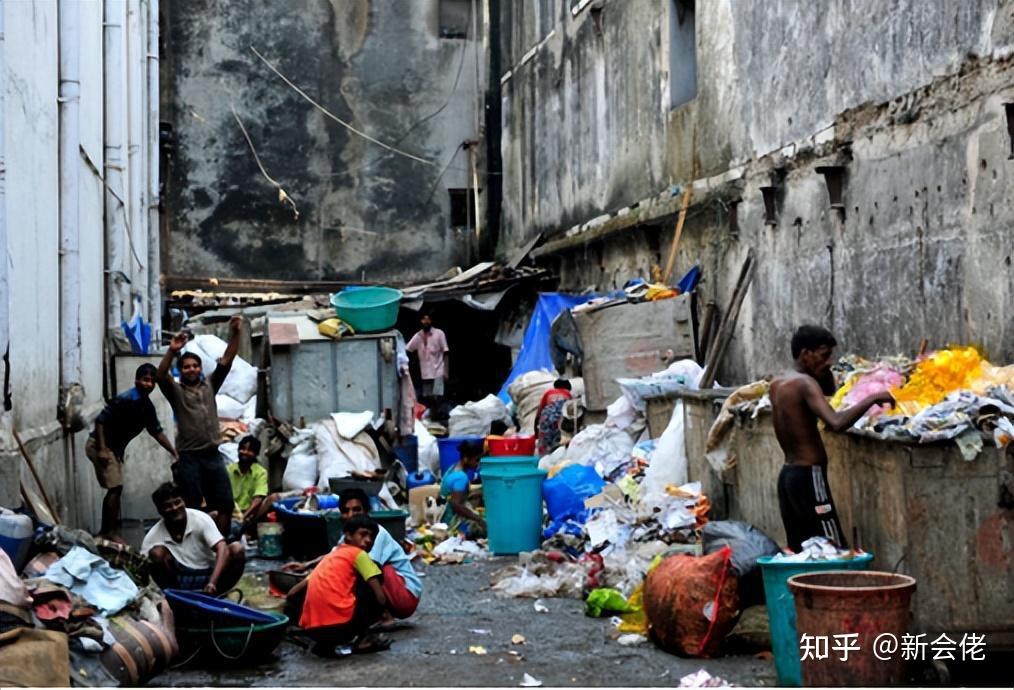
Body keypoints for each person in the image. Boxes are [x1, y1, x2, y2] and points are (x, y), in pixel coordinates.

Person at [769, 325, 895, 552]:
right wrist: (873, 398)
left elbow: (829, 390)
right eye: (824, 355)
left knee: (803, 551)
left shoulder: (778, 382)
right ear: (806, 353)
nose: (829, 362)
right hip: (810, 476)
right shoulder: (805, 384)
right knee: (833, 548)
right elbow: (835, 422)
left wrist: (823, 370)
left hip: (788, 477)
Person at [157, 315, 243, 536]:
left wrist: (235, 333)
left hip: (213, 455)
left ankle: (219, 545)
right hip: (190, 458)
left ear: (201, 369)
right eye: (186, 367)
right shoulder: (177, 392)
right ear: (181, 371)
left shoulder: (210, 386)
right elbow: (160, 375)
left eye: (195, 366)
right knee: (193, 507)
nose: (192, 369)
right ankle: (195, 548)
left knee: (224, 503)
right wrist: (172, 350)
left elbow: (227, 360)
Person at [282, 488, 422, 624]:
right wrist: (307, 565)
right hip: (391, 590)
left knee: (365, 571)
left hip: (406, 594)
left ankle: (384, 615)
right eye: (346, 511)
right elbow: (333, 556)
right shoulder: (349, 536)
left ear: (366, 512)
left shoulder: (376, 533)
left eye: (356, 510)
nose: (351, 515)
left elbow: (367, 568)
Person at [85, 363, 178, 541]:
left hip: (114, 450)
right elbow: (100, 421)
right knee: (115, 488)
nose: (149, 385)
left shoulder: (147, 407)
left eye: (152, 382)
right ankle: (109, 532)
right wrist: (103, 449)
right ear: (137, 381)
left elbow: (156, 432)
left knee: (116, 489)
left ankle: (109, 531)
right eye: (145, 380)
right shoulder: (125, 399)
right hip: (99, 445)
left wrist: (173, 451)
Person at [288, 515, 391, 656]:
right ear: (348, 535)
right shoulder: (358, 554)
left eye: (371, 537)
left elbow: (292, 593)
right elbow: (379, 596)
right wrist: (385, 613)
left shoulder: (331, 557)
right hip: (341, 629)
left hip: (313, 631)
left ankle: (324, 644)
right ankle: (363, 640)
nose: (368, 540)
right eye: (363, 534)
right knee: (374, 572)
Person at [142, 482, 245, 594]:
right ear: (160, 510)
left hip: (209, 574)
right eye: (168, 506)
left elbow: (222, 548)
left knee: (237, 549)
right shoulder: (154, 535)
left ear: (183, 502)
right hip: (179, 580)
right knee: (156, 554)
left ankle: (217, 595)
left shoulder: (200, 519)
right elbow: (141, 565)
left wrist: (212, 583)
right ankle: (176, 598)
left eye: (177, 502)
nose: (174, 508)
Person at [227, 436, 279, 539]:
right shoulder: (229, 470)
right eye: (243, 449)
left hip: (250, 514)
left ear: (255, 454)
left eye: (249, 450)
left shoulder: (260, 472)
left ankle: (246, 529)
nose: (245, 452)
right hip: (232, 512)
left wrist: (243, 517)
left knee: (272, 498)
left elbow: (258, 499)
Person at [440, 441, 485, 539]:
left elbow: (453, 494)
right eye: (476, 460)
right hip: (451, 521)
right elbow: (456, 505)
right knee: (486, 528)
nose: (478, 464)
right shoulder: (461, 477)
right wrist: (478, 519)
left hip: (443, 516)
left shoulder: (452, 469)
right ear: (466, 459)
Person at [405, 313, 449, 408]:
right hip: (425, 372)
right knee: (428, 397)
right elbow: (408, 349)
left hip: (438, 370)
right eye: (424, 319)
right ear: (421, 321)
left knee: (438, 396)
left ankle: (437, 416)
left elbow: (445, 352)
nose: (426, 322)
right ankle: (431, 416)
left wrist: (446, 371)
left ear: (431, 321)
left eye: (428, 319)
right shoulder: (418, 336)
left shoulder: (439, 334)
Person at [535, 378, 573, 456]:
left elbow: (539, 412)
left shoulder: (548, 392)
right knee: (559, 442)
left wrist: (536, 432)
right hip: (560, 420)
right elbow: (571, 412)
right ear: (568, 388)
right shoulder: (568, 394)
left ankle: (543, 457)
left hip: (546, 418)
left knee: (544, 442)